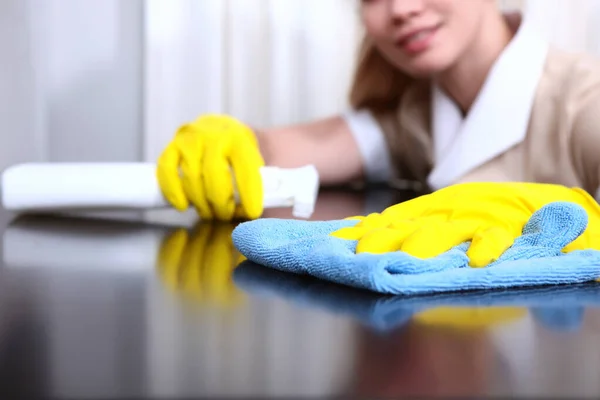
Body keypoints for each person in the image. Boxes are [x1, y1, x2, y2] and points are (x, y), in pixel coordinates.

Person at [156, 0, 600, 221]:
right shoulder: (413, 117)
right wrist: (233, 142)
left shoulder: (583, 101)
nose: (401, 9)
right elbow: (286, 150)